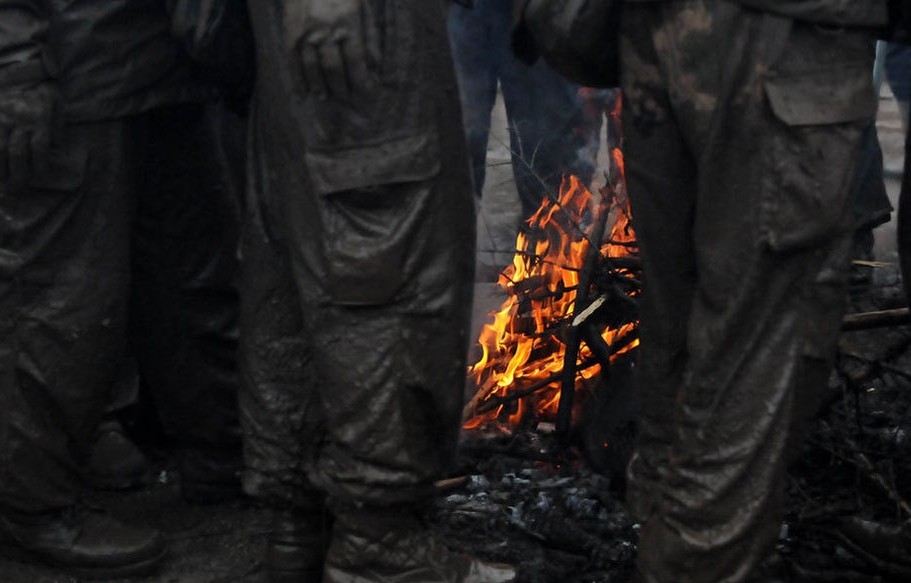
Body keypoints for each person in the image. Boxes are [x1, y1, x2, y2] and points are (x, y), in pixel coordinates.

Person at [239, 1, 515, 582]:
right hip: (360, 33)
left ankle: (301, 524)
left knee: (306, 249)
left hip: (311, 40)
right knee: (386, 257)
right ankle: (378, 545)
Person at [619, 1, 887, 581]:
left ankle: (658, 513)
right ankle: (694, 561)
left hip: (659, 31)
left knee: (678, 303)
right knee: (762, 340)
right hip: (785, 48)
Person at [0, 0, 245, 575]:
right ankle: (29, 508)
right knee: (59, 302)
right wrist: (13, 65)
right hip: (73, 78)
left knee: (194, 277)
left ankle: (220, 457)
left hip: (171, 69)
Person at [447, 0, 605, 219]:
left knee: (551, 156)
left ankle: (551, 244)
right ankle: (453, 246)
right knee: (457, 143)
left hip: (542, 12)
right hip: (464, 10)